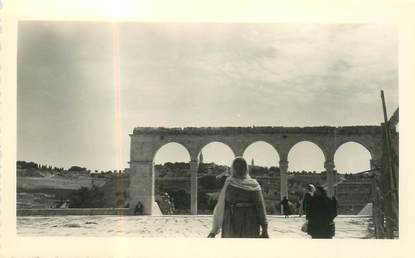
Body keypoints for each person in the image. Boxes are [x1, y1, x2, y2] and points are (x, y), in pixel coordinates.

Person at [208, 157, 269, 238]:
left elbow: (260, 207)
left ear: (246, 169)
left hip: (249, 222)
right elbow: (221, 206)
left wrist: (265, 230)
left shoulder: (254, 185)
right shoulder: (229, 183)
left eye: (241, 167)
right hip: (230, 222)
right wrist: (214, 230)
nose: (239, 170)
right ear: (233, 169)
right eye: (236, 167)